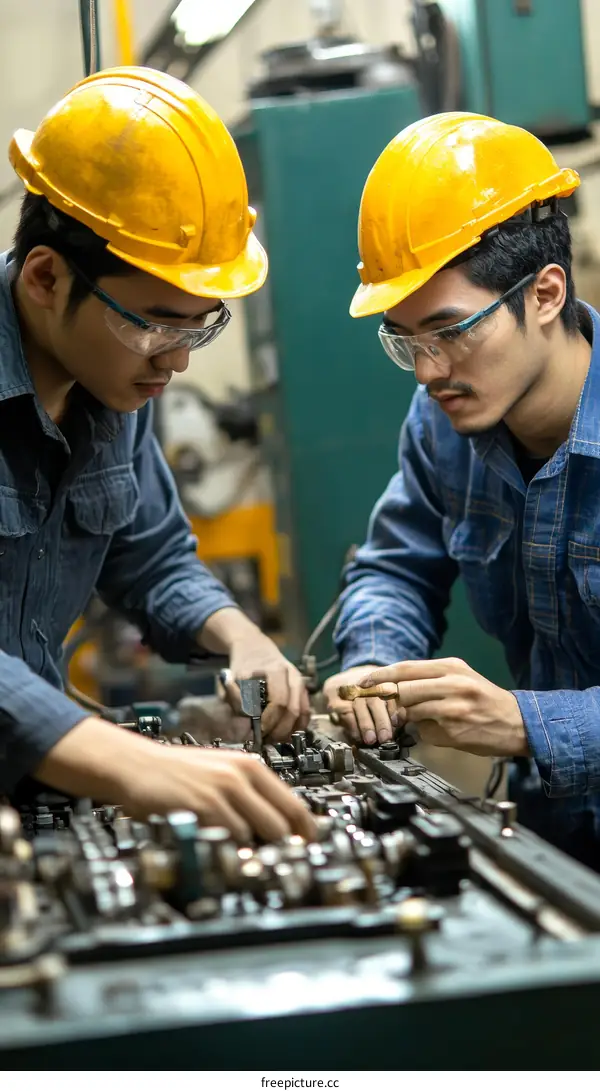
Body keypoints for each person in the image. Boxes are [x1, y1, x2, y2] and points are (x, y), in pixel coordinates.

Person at [0, 65, 314, 844]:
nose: (175, 362)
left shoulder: (111, 383)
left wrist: (237, 635)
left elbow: (151, 558)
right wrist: (124, 760)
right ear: (46, 277)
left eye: (197, 328)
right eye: (155, 324)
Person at [324, 111, 600, 867]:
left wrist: (527, 723)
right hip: (557, 837)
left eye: (450, 330)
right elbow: (397, 565)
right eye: (405, 339)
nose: (427, 370)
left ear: (545, 294)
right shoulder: (444, 425)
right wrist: (373, 667)